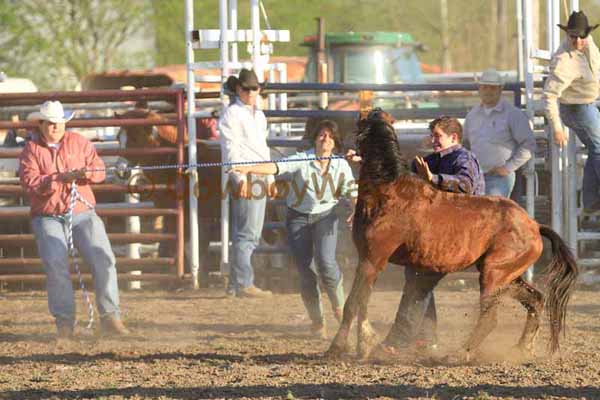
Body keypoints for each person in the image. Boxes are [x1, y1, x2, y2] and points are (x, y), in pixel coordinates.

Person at [231, 120, 356, 337]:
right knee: (306, 271)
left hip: (326, 216)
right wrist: (249, 168)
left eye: (329, 136)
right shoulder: (303, 158)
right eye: (321, 135)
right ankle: (318, 321)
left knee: (327, 263)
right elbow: (277, 167)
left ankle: (341, 310)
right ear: (315, 138)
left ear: (335, 141)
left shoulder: (341, 165)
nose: (325, 139)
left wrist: (355, 208)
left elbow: (352, 191)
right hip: (298, 218)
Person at [19, 100, 129, 339]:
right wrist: (60, 178)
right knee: (56, 265)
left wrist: (87, 174)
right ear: (41, 124)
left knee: (104, 258)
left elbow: (99, 169)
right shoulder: (31, 150)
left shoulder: (79, 142)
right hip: (48, 215)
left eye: (58, 123)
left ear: (64, 123)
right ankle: (65, 323)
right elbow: (31, 182)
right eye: (50, 123)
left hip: (81, 212)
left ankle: (110, 316)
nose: (55, 127)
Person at [382, 116, 485, 354]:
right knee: (417, 279)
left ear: (454, 137)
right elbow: (400, 175)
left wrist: (433, 179)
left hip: (461, 233)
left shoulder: (464, 158)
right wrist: (367, 160)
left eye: (438, 136)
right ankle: (425, 338)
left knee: (419, 281)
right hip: (440, 233)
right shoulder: (431, 160)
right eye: (432, 136)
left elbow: (466, 185)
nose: (433, 140)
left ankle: (398, 341)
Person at [219, 68, 276, 298]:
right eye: (246, 88)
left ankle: (236, 284)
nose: (251, 92)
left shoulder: (258, 116)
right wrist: (238, 176)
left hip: (258, 173)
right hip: (247, 174)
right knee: (248, 233)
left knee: (247, 230)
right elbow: (230, 148)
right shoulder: (232, 114)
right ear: (238, 90)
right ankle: (243, 282)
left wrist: (270, 176)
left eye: (254, 88)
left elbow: (263, 149)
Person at [544, 10, 600, 212]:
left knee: (597, 147)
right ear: (567, 35)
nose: (577, 41)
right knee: (599, 146)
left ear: (587, 34)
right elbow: (549, 96)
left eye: (581, 36)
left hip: (591, 101)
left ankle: (592, 200)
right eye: (573, 36)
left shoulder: (589, 43)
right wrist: (557, 128)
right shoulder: (562, 61)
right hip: (576, 107)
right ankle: (592, 199)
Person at [464, 68, 536, 197]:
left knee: (491, 213)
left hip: (498, 178)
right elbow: (465, 144)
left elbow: (529, 144)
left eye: (493, 88)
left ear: (500, 89)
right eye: (485, 87)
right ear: (479, 89)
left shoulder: (513, 114)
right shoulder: (472, 115)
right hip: (475, 177)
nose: (488, 91)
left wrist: (508, 168)